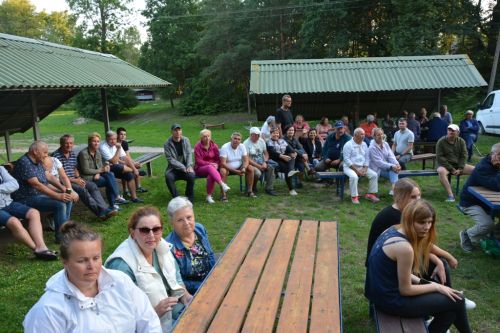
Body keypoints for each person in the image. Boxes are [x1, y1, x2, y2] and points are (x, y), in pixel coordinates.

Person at [24, 221, 162, 333]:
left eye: (96, 258)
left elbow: (148, 321)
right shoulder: (48, 310)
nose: (92, 266)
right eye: (82, 260)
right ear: (65, 261)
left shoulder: (121, 282)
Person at [365, 200, 472, 333]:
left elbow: (396, 272)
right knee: (458, 300)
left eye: (430, 222)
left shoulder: (393, 229)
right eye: (421, 222)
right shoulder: (404, 248)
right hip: (391, 301)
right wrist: (436, 286)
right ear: (409, 220)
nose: (427, 227)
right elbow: (405, 290)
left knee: (451, 305)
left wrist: (427, 283)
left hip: (379, 293)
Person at [105, 206, 192, 332]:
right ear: (133, 233)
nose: (151, 235)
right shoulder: (121, 266)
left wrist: (187, 297)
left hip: (174, 311)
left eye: (156, 229)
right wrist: (154, 312)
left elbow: (176, 278)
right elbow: (120, 319)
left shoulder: (162, 247)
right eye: (144, 230)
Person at [11, 141, 73, 243]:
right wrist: (58, 196)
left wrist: (65, 190)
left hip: (37, 195)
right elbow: (37, 185)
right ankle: (61, 237)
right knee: (60, 204)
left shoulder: (37, 162)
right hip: (24, 198)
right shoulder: (24, 162)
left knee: (67, 198)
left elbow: (47, 178)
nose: (46, 155)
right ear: (35, 151)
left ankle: (64, 231)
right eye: (44, 152)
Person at [53, 134, 116, 220]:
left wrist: (78, 178)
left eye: (71, 143)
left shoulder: (72, 154)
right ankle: (101, 212)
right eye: (66, 143)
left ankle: (103, 209)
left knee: (92, 186)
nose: (69, 145)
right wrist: (75, 180)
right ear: (61, 144)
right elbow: (60, 177)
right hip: (63, 182)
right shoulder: (56, 156)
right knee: (82, 190)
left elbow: (75, 168)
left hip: (74, 179)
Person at [0, 166, 57, 260]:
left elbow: (14, 184)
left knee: (34, 213)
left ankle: (42, 247)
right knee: (14, 221)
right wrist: (6, 187)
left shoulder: (1, 169)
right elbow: (10, 185)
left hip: (9, 203)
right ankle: (37, 250)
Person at [165, 197, 216, 295]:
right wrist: (205, 285)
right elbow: (177, 281)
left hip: (213, 280)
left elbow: (210, 256)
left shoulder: (199, 229)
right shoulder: (169, 247)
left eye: (189, 217)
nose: (186, 223)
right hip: (194, 293)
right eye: (180, 220)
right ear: (172, 222)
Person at [458, 143, 500, 252]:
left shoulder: (496, 165)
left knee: (490, 225)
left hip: (489, 201)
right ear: (492, 154)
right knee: (487, 224)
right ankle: (466, 235)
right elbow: (496, 185)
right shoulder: (483, 167)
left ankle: (495, 235)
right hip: (471, 202)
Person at [78, 132, 120, 211]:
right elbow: (85, 170)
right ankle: (115, 200)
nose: (96, 143)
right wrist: (99, 171)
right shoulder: (83, 154)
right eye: (94, 141)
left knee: (110, 174)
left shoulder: (97, 152)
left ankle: (114, 201)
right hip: (88, 178)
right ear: (89, 142)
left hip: (96, 176)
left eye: (98, 141)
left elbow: (101, 165)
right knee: (109, 180)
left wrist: (99, 171)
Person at [100, 131, 143, 204]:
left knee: (129, 175)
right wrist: (118, 149)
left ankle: (134, 198)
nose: (113, 141)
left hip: (117, 167)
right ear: (106, 138)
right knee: (118, 166)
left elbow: (125, 157)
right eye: (111, 139)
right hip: (106, 169)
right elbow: (113, 161)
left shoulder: (117, 144)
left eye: (115, 139)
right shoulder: (103, 147)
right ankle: (134, 171)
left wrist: (134, 167)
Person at [436, 124, 474, 202]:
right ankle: (451, 196)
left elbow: (464, 155)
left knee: (476, 170)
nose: (450, 132)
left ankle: (470, 193)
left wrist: (460, 168)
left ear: (458, 132)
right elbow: (440, 157)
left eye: (453, 130)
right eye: (449, 130)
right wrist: (452, 169)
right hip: (445, 165)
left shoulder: (461, 141)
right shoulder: (441, 141)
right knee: (441, 171)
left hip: (458, 165)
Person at [342, 128, 380, 204]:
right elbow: (346, 159)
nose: (363, 136)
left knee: (374, 175)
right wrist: (356, 170)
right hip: (349, 167)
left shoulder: (364, 144)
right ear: (355, 135)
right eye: (361, 134)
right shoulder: (348, 145)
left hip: (362, 167)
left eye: (364, 134)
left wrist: (365, 168)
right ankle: (354, 197)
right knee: (354, 177)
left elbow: (367, 158)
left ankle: (370, 194)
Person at [194, 129, 230, 204]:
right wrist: (210, 164)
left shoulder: (214, 146)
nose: (207, 138)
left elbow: (218, 158)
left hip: (213, 168)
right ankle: (222, 184)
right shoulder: (197, 147)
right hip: (200, 168)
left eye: (208, 136)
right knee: (210, 167)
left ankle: (209, 196)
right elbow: (198, 161)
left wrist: (216, 164)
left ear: (210, 137)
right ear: (201, 138)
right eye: (204, 136)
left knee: (211, 175)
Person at [164, 124, 196, 203]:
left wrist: (189, 166)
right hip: (173, 169)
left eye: (179, 130)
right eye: (175, 130)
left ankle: (189, 196)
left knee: (191, 175)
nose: (178, 132)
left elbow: (189, 154)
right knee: (168, 177)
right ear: (171, 132)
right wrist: (182, 167)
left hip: (186, 167)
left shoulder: (186, 140)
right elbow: (170, 159)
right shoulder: (167, 144)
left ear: (181, 131)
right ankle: (177, 198)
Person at [219, 132, 255, 201]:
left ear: (240, 141)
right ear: (231, 139)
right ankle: (223, 195)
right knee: (223, 171)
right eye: (235, 138)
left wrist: (244, 168)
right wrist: (236, 171)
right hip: (227, 166)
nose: (236, 140)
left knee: (250, 168)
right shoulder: (225, 147)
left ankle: (249, 191)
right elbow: (223, 163)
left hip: (239, 166)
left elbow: (246, 160)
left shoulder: (242, 146)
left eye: (239, 139)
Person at [243, 127, 277, 196]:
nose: (257, 136)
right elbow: (247, 158)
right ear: (250, 135)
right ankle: (252, 186)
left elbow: (266, 153)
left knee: (271, 168)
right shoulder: (246, 143)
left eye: (258, 135)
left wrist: (265, 162)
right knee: (257, 173)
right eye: (255, 135)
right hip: (251, 163)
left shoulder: (261, 141)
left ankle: (269, 188)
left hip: (261, 162)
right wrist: (258, 166)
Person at [266, 127, 299, 196]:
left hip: (286, 159)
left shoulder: (282, 141)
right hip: (276, 160)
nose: (276, 135)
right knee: (288, 170)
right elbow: (272, 153)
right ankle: (291, 189)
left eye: (277, 133)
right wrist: (282, 156)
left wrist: (294, 153)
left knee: (292, 157)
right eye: (273, 133)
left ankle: (291, 170)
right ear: (270, 134)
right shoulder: (269, 142)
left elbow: (290, 149)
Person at [368, 128, 401, 195]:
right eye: (378, 135)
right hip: (376, 169)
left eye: (381, 134)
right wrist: (392, 166)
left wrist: (397, 164)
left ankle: (394, 190)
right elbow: (379, 163)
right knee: (393, 169)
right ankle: (395, 191)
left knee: (394, 170)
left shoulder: (385, 144)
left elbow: (391, 156)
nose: (381, 136)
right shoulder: (372, 147)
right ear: (374, 136)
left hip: (385, 166)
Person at [116, 127, 148, 193]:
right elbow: (116, 159)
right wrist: (128, 163)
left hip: (125, 160)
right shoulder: (115, 143)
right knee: (128, 170)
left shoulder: (124, 143)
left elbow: (128, 156)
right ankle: (125, 190)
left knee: (136, 166)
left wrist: (134, 163)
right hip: (117, 162)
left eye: (124, 134)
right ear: (117, 135)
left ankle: (138, 187)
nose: (123, 136)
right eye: (121, 134)